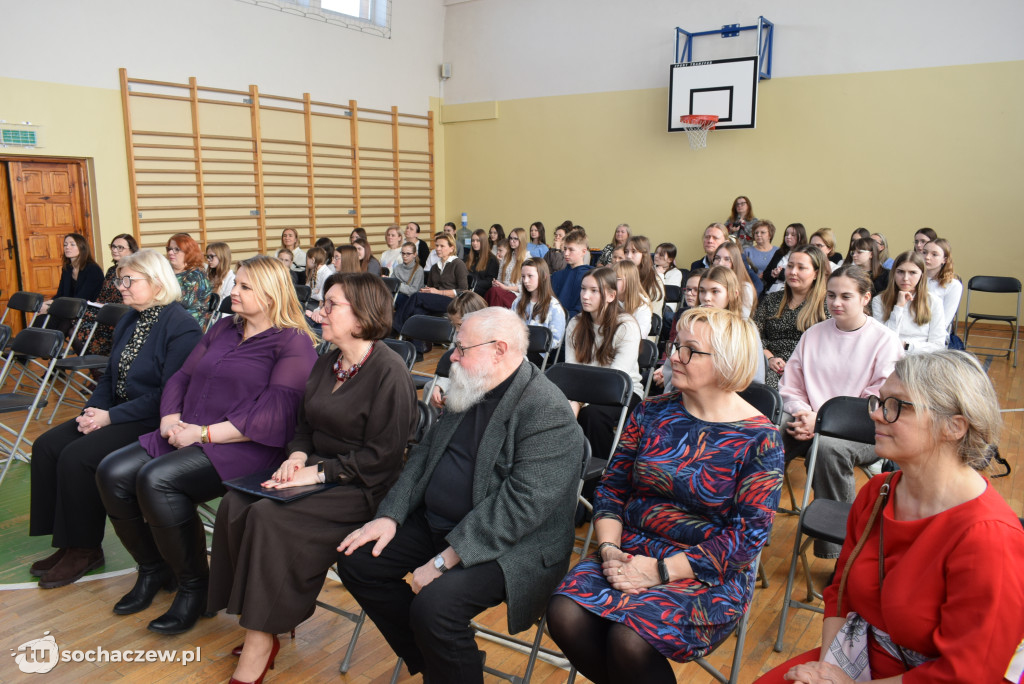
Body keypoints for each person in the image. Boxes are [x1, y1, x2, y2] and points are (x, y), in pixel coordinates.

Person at [337, 307, 584, 684]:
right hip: (440, 522)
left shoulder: (546, 409)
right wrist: (389, 515)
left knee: (435, 609)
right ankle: (447, 660)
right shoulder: (472, 383)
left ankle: (447, 656)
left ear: (499, 349)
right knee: (359, 563)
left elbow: (520, 509)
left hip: (511, 545)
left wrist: (441, 563)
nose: (452, 355)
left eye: (462, 348)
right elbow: (424, 456)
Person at [756, 351, 1024, 684]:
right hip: (859, 656)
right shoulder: (878, 492)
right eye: (879, 402)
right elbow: (841, 592)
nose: (878, 416)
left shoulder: (989, 537)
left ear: (954, 426)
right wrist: (827, 671)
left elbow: (968, 673)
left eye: (897, 406)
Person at [547, 307, 784, 684]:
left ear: (726, 362)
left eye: (690, 350)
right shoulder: (651, 412)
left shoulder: (761, 438)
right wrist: (609, 550)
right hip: (628, 551)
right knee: (564, 613)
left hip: (705, 572)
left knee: (630, 640)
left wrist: (659, 572)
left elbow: (747, 539)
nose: (674, 356)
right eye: (676, 345)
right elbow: (611, 489)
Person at [208, 273, 417, 684]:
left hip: (361, 488)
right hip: (316, 471)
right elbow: (303, 424)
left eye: (331, 305)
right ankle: (262, 624)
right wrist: (298, 457)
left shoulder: (390, 373)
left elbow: (383, 459)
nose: (319, 311)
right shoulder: (328, 360)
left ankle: (259, 641)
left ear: (360, 318)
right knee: (235, 505)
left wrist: (315, 472)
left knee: (270, 519)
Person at [95, 256, 318, 635]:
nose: (234, 291)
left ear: (270, 294)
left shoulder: (293, 342)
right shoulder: (225, 327)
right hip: (188, 431)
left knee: (156, 480)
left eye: (245, 287)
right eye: (237, 284)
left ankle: (195, 587)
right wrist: (169, 418)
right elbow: (182, 376)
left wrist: (202, 434)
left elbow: (275, 417)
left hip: (245, 447)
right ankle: (153, 569)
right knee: (111, 473)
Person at [28, 250, 203, 589]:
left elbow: (167, 395)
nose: (120, 287)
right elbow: (109, 377)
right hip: (115, 412)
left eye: (128, 281)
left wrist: (110, 417)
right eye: (120, 279)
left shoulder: (182, 327)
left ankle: (85, 548)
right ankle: (68, 543)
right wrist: (90, 412)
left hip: (151, 418)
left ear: (155, 283)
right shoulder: (130, 319)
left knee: (77, 457)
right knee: (47, 446)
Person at [778, 264, 903, 557]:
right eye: (831, 295)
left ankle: (841, 551)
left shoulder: (884, 340)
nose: (835, 303)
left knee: (827, 449)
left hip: (864, 430)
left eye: (846, 296)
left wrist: (819, 422)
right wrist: (803, 413)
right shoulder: (813, 334)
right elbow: (791, 386)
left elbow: (879, 398)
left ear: (865, 298)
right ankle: (751, 523)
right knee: (767, 435)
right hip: (808, 419)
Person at [566, 267, 643, 461]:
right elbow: (571, 372)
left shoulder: (626, 326)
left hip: (623, 393)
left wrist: (580, 402)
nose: (585, 296)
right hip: (583, 391)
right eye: (583, 289)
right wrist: (574, 401)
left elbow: (615, 380)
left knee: (591, 416)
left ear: (610, 295)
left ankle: (596, 482)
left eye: (593, 291)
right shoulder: (576, 324)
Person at [754, 245, 830, 388]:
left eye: (801, 268)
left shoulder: (825, 304)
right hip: (767, 363)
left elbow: (828, 346)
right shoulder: (772, 300)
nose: (793, 272)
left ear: (816, 273)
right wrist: (769, 357)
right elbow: (754, 334)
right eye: (790, 266)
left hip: (807, 370)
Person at [391, 234, 469, 346]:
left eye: (442, 246)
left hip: (454, 302)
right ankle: (419, 350)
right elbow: (431, 288)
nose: (437, 248)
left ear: (452, 248)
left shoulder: (458, 264)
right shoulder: (434, 267)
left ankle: (396, 326)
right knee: (417, 312)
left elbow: (463, 290)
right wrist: (427, 291)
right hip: (436, 301)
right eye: (436, 245)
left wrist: (438, 292)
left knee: (416, 296)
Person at [72, 233, 139, 356]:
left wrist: (106, 306)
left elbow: (133, 298)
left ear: (131, 251)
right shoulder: (111, 270)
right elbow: (103, 295)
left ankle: (97, 363)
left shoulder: (135, 271)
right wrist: (98, 303)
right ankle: (95, 365)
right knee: (76, 317)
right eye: (113, 246)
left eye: (120, 247)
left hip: (121, 314)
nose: (115, 250)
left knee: (78, 322)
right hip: (105, 310)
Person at [871, 250, 946, 353]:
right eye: (900, 272)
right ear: (893, 273)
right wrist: (899, 307)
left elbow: (938, 345)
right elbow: (884, 340)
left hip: (921, 358)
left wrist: (907, 346)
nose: (905, 278)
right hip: (889, 356)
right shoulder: (879, 300)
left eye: (912, 273)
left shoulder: (933, 302)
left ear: (922, 275)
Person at [425, 291, 487, 410]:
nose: (457, 331)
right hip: (460, 382)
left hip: (480, 390)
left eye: (460, 324)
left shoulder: (490, 342)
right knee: (430, 387)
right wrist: (439, 386)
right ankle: (430, 427)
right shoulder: (459, 337)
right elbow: (454, 368)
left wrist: (457, 395)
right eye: (454, 326)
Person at [511, 258, 566, 366]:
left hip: (538, 354)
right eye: (523, 276)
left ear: (544, 276)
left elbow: (556, 340)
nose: (525, 281)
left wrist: (535, 343)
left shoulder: (554, 307)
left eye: (530, 276)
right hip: (517, 350)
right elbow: (509, 326)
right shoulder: (518, 302)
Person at [40, 232, 104, 317]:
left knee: (52, 318)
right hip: (70, 307)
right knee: (41, 314)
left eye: (72, 244)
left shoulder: (92, 269)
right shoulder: (67, 268)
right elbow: (60, 294)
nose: (67, 247)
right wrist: (46, 304)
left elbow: (82, 298)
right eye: (65, 245)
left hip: (87, 309)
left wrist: (51, 308)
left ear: (82, 248)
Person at [165, 233, 212, 325]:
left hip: (190, 324)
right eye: (169, 249)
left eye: (176, 249)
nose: (170, 252)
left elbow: (183, 302)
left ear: (188, 252)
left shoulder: (197, 274)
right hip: (170, 319)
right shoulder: (167, 271)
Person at [551, 229, 594, 319]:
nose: (566, 254)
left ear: (583, 251)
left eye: (571, 250)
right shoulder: (557, 276)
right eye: (565, 249)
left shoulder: (590, 277)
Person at [923, 238, 962, 335]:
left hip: (933, 333)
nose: (927, 257)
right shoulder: (913, 278)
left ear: (944, 260)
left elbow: (944, 321)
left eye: (934, 254)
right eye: (924, 252)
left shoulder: (953, 285)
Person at [712, 241, 759, 317]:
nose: (720, 263)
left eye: (727, 259)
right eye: (717, 258)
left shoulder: (745, 288)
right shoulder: (708, 283)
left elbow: (742, 320)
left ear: (735, 262)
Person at [485, 227, 528, 307]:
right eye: (510, 238)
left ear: (521, 240)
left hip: (517, 295)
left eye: (515, 239)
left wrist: (506, 288)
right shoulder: (507, 257)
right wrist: (496, 283)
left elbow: (524, 287)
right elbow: (499, 279)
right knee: (493, 291)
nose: (512, 241)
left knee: (495, 293)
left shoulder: (527, 259)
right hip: (502, 291)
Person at [624, 236, 665, 316]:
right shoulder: (621, 276)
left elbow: (652, 315)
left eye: (634, 251)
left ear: (644, 254)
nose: (628, 256)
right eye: (626, 251)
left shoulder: (655, 281)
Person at [613, 259, 653, 338]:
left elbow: (639, 336)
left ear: (629, 281)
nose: (611, 282)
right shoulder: (609, 299)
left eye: (617, 279)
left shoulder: (642, 305)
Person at [764, 223, 808, 293]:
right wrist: (773, 274)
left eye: (793, 235)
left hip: (790, 292)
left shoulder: (805, 255)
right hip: (771, 290)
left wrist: (781, 274)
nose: (788, 237)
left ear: (800, 237)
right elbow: (766, 274)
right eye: (786, 234)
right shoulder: (779, 252)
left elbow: (802, 277)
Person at [464, 228, 498, 295]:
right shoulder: (468, 257)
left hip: (481, 292)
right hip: (466, 288)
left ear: (483, 242)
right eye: (473, 241)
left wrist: (473, 284)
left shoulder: (492, 260)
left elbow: (490, 281)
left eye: (478, 241)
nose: (475, 243)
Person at [391, 241, 425, 309]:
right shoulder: (397, 268)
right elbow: (392, 285)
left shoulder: (419, 270)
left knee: (394, 298)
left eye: (408, 254)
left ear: (415, 254)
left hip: (412, 299)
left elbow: (413, 291)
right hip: (398, 295)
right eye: (403, 253)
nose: (404, 256)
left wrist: (398, 285)